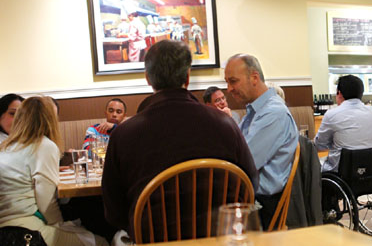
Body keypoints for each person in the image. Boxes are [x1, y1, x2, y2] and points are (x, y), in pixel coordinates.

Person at [100, 40, 257, 240]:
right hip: (217, 239)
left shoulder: (123, 134)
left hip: (155, 241)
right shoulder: (225, 124)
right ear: (187, 76)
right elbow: (250, 184)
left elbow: (114, 213)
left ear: (148, 78)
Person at [0, 96, 107, 246]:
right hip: (24, 228)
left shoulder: (7, 145)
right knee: (101, 242)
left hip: (7, 225)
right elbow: (46, 202)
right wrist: (61, 227)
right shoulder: (43, 145)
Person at [224, 53, 298, 226]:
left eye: (233, 81)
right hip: (252, 200)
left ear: (254, 78)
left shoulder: (273, 113)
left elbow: (242, 163)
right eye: (227, 82)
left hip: (262, 207)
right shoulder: (256, 112)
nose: (229, 89)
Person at [315, 75, 372, 172]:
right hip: (370, 171)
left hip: (341, 174)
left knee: (314, 166)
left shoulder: (332, 114)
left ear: (339, 93)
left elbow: (319, 145)